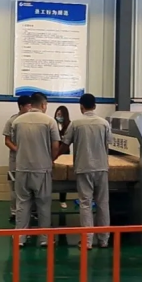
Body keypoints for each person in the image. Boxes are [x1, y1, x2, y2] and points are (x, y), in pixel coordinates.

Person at [59, 93, 112, 250]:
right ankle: (104, 239)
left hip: (84, 168)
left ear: (81, 107)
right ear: (95, 106)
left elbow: (65, 145)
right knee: (103, 203)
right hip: (101, 167)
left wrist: (52, 157)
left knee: (85, 203)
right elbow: (109, 143)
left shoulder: (76, 124)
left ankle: (87, 241)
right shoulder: (104, 123)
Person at [12, 92, 60, 247]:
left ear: (31, 104)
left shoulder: (17, 121)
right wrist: (50, 159)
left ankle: (20, 238)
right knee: (43, 204)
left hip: (22, 168)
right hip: (42, 169)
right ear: (44, 105)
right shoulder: (49, 121)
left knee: (22, 203)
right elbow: (55, 145)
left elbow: (15, 142)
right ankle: (44, 238)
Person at [2, 95, 32, 221]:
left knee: (30, 186)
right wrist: (18, 150)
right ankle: (14, 212)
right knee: (15, 187)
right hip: (16, 159)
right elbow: (7, 141)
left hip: (31, 159)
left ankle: (31, 212)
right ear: (21, 107)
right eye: (28, 106)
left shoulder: (33, 120)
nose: (30, 108)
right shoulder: (12, 121)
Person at [54, 105, 71, 209]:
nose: (58, 116)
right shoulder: (52, 124)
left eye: (61, 115)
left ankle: (63, 199)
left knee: (64, 176)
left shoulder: (69, 125)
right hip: (54, 152)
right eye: (57, 114)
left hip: (65, 153)